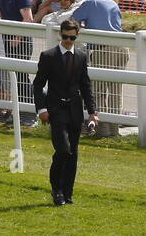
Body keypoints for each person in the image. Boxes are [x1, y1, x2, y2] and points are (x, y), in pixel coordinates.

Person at [33, 19, 98, 205]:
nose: (68, 40)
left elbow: (85, 85)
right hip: (55, 109)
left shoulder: (81, 56)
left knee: (73, 152)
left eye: (72, 37)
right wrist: (42, 109)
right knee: (63, 150)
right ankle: (56, 189)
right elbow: (38, 85)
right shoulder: (48, 56)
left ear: (76, 36)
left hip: (75, 109)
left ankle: (68, 192)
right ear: (60, 34)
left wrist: (92, 112)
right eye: (65, 36)